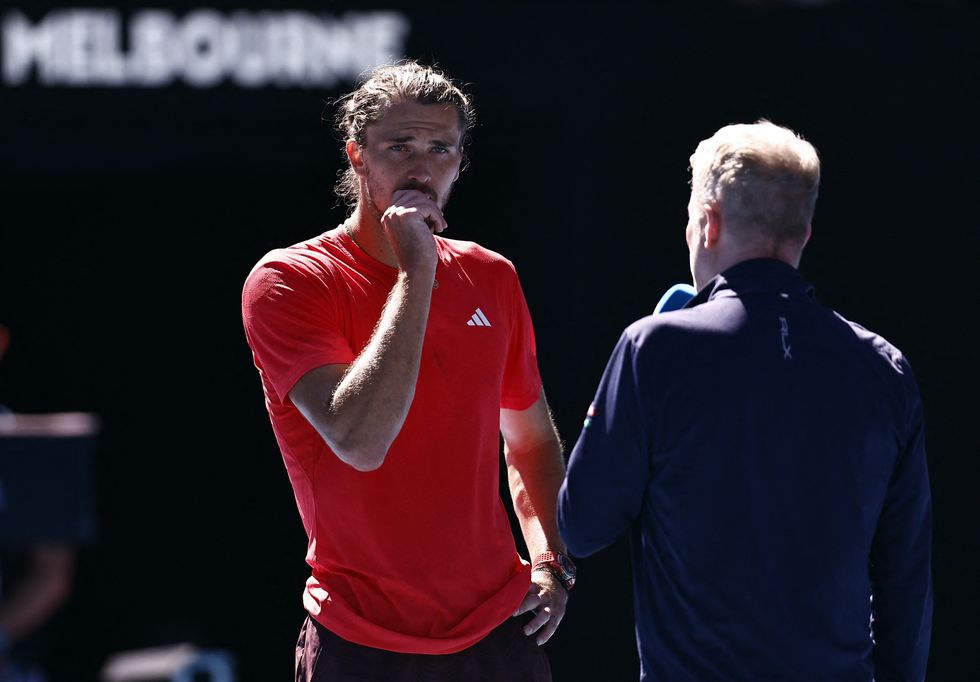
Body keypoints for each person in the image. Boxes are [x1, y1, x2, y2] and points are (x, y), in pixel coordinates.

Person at [557, 120, 932, 681]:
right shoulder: (885, 369)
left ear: (707, 224)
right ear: (803, 234)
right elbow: (905, 577)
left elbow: (583, 526)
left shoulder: (654, 348)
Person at [241, 60, 573, 681]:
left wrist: (553, 562)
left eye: (440, 149)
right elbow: (361, 440)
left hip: (496, 635)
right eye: (400, 146)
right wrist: (418, 270)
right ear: (357, 156)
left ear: (459, 162)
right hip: (361, 642)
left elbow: (529, 439)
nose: (421, 167)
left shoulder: (492, 275)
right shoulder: (290, 279)